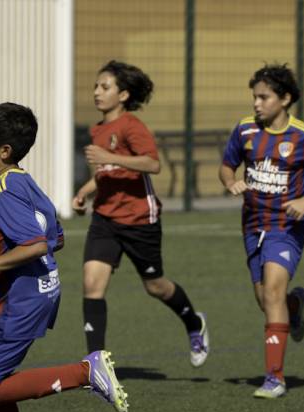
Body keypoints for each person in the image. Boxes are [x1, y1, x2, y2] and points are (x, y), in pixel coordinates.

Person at [0, 102, 128, 412]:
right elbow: (56, 238)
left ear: (3, 150)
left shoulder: (3, 190)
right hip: (34, 288)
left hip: (22, 297)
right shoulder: (23, 180)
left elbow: (36, 244)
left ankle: (86, 373)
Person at [72, 60, 209, 367]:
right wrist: (85, 191)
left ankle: (193, 323)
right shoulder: (98, 129)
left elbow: (152, 163)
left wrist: (108, 156)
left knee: (155, 286)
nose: (97, 92)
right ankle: (96, 363)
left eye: (104, 87)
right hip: (104, 218)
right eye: (96, 86)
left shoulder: (131, 126)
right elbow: (108, 171)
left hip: (138, 220)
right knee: (92, 284)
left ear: (123, 95)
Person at [219, 64, 304, 399]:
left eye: (264, 97)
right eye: (254, 97)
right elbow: (227, 167)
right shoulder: (244, 131)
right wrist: (231, 182)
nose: (257, 103)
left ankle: (274, 378)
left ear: (284, 99)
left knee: (271, 294)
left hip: (286, 226)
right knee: (266, 299)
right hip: (253, 225)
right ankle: (294, 307)